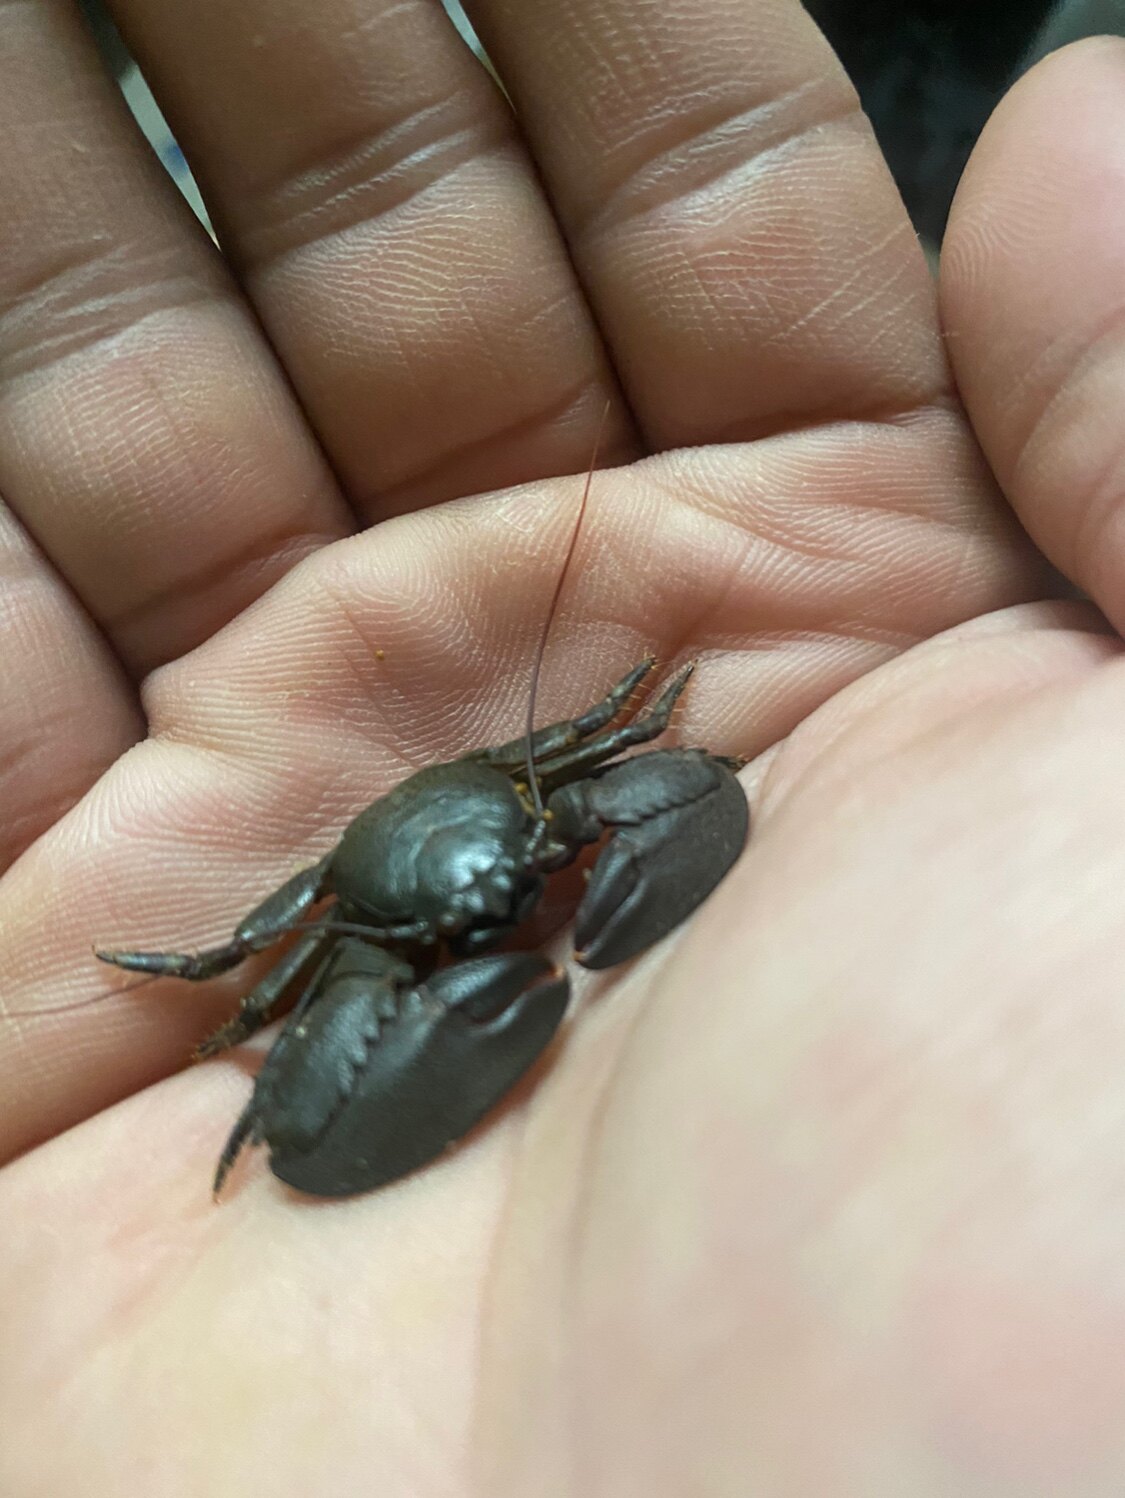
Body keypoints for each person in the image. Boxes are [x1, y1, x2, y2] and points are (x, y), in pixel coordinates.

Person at [1, 2, 1122, 1491]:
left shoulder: (539, 792)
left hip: (483, 813)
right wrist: (222, 1018)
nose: (513, 913)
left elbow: (665, 754)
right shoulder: (356, 932)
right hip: (391, 886)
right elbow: (253, 1006)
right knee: (270, 1082)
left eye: (531, 870)